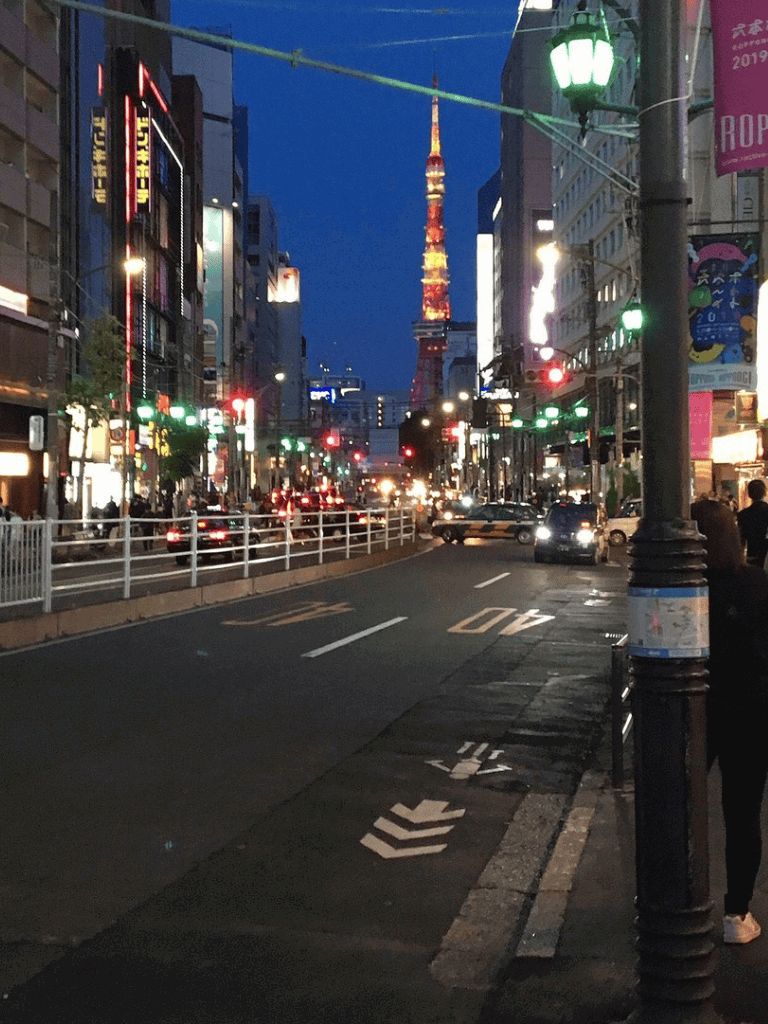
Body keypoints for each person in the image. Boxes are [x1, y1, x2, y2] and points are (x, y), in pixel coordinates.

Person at [691, 498, 768, 944]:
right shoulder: (757, 583)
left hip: (695, 709)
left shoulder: (681, 585)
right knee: (742, 814)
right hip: (751, 711)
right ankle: (737, 914)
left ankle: (675, 898)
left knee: (681, 807)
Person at [737, 478, 768, 569]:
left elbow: (741, 540)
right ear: (764, 493)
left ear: (749, 494)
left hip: (751, 556)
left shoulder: (743, 514)